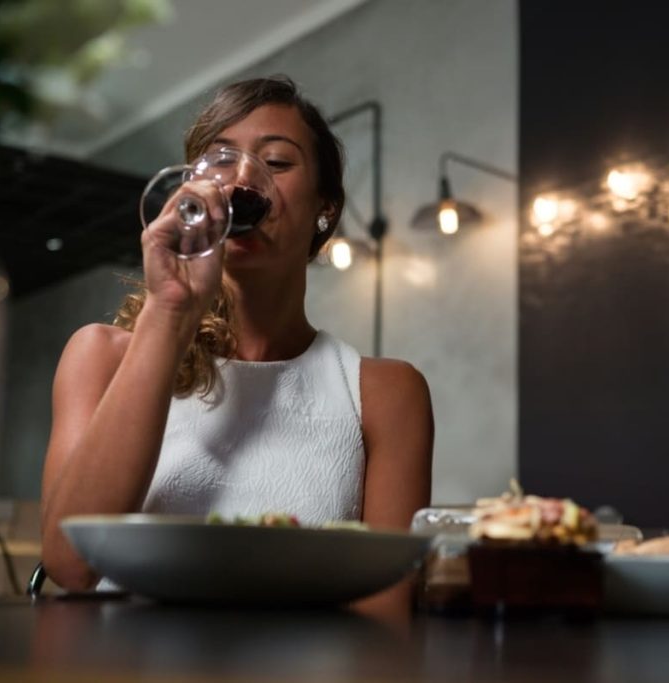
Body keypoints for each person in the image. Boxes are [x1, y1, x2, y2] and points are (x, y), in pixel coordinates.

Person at [39, 77, 434, 602]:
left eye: (276, 162)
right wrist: (170, 312)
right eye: (219, 159)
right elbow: (70, 564)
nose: (241, 179)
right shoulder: (102, 356)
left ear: (325, 208)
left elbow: (388, 613)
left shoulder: (387, 394)